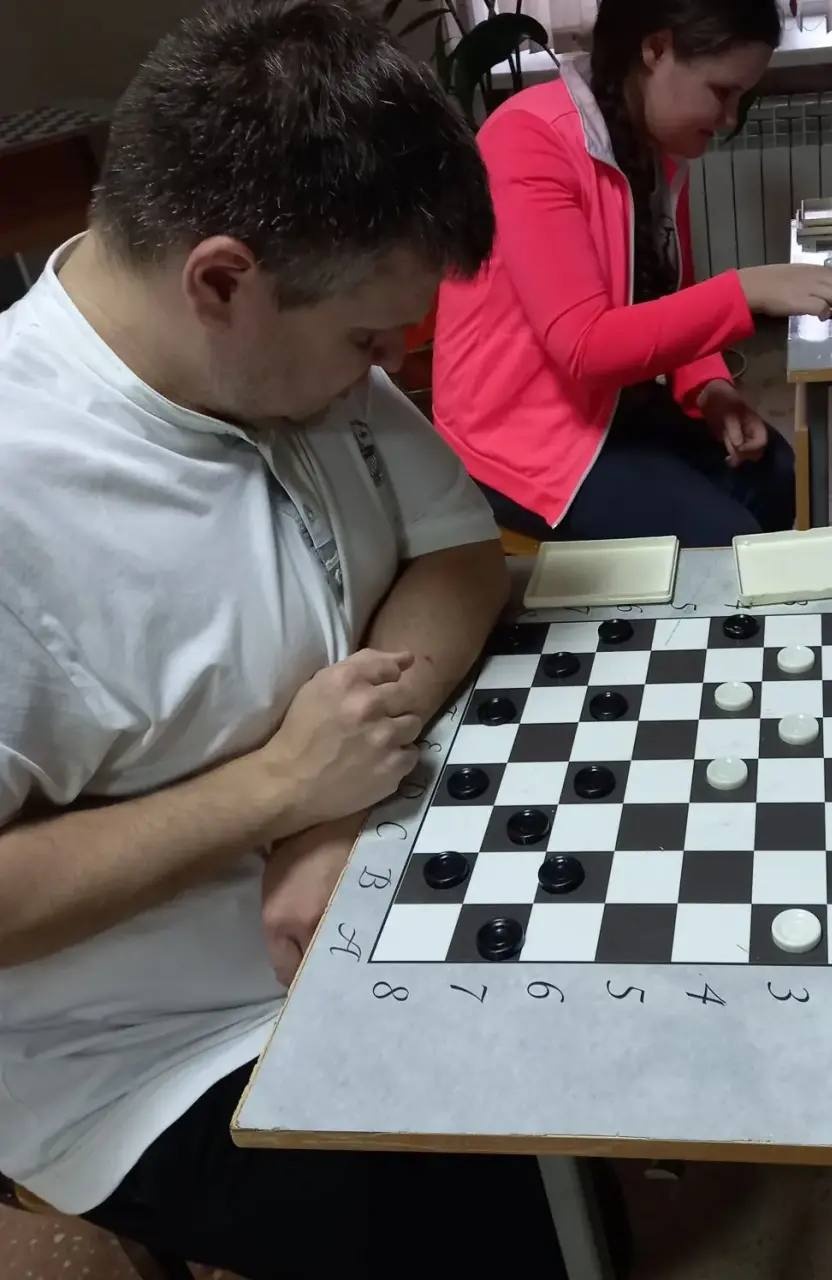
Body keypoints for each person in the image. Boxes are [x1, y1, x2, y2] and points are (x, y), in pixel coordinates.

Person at [0, 2, 573, 1276]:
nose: (381, 370)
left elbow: (456, 554)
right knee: (491, 1204)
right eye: (367, 341)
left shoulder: (281, 356)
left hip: (359, 871)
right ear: (221, 281)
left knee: (591, 1020)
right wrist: (273, 789)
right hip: (149, 1048)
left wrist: (325, 811)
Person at [431, 0, 832, 548]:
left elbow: (667, 295)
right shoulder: (527, 139)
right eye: (722, 92)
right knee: (721, 541)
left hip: (611, 406)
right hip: (519, 437)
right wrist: (747, 291)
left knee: (774, 474)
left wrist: (709, 387)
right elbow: (584, 345)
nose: (729, 119)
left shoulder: (653, 147)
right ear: (656, 50)